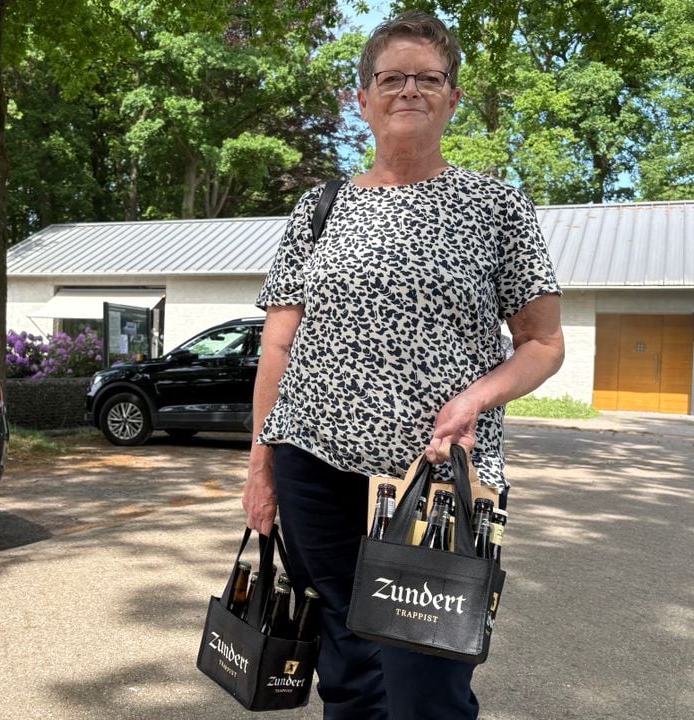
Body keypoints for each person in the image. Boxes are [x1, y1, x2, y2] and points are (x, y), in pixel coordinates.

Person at [242, 11, 565, 720]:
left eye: (429, 78)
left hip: (438, 478)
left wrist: (477, 397)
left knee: (429, 683)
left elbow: (544, 343)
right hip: (313, 466)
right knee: (347, 670)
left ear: (453, 98)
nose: (410, 90)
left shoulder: (496, 206)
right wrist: (260, 466)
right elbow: (279, 347)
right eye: (391, 79)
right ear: (363, 99)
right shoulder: (319, 208)